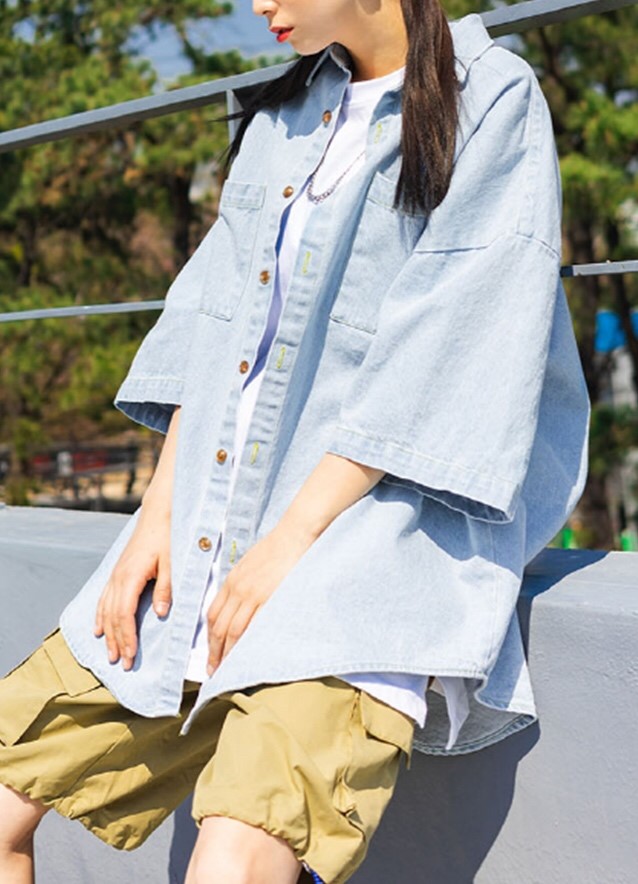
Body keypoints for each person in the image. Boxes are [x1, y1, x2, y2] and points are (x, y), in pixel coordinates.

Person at [0, 1, 591, 882]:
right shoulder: (286, 113)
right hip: (208, 545)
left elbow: (447, 353)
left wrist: (290, 543)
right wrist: (158, 514)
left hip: (358, 559)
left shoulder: (493, 101)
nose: (257, 6)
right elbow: (214, 321)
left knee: (233, 859)